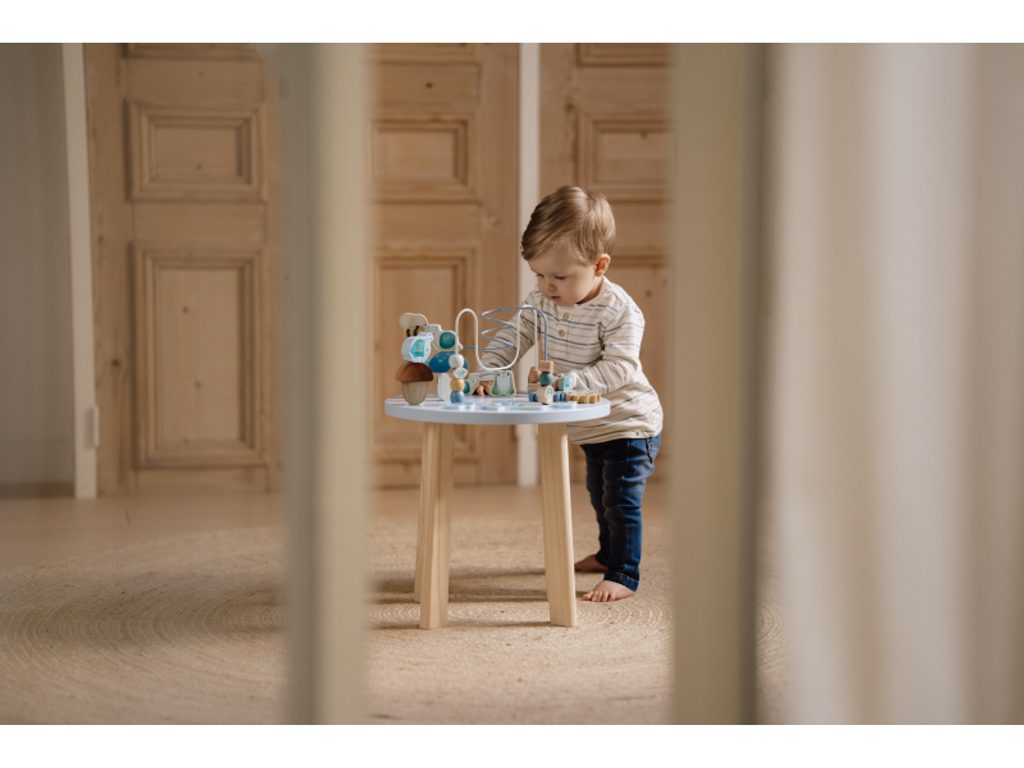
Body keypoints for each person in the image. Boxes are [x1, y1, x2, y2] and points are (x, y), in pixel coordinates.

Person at [473, 186, 663, 602]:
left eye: (559, 277)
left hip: (628, 423)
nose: (547, 286)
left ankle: (623, 573)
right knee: (599, 495)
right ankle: (607, 552)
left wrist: (569, 383)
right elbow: (512, 337)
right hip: (589, 425)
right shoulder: (542, 302)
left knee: (620, 502)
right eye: (539, 275)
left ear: (599, 265)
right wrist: (488, 371)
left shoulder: (619, 310)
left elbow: (621, 367)